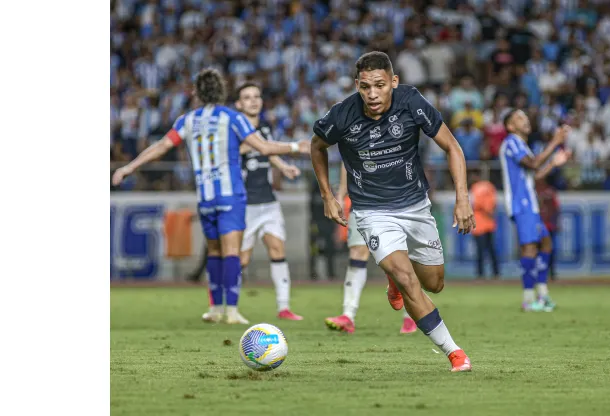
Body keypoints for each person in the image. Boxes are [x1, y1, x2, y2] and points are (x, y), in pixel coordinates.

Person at [310, 51, 474, 372]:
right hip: (372, 212)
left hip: (415, 207)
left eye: (380, 86)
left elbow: (452, 146)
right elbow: (316, 146)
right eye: (365, 87)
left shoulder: (410, 101)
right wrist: (327, 195)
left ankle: (395, 283)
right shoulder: (342, 115)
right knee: (406, 276)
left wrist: (462, 198)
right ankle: (455, 352)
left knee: (434, 283)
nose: (372, 94)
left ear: (393, 82)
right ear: (357, 85)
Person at [112, 68, 310, 324]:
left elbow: (161, 146)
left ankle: (215, 308)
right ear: (222, 91)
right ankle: (232, 311)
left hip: (205, 198)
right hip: (231, 197)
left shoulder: (187, 120)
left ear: (198, 93)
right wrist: (296, 146)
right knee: (230, 252)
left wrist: (129, 167)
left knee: (214, 252)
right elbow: (263, 146)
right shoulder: (232, 117)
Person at [233, 81, 304, 321]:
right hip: (244, 204)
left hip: (268, 201)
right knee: (242, 259)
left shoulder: (263, 128)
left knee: (277, 249)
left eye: (256, 96)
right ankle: (227, 306)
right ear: (238, 104)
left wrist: (283, 168)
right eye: (247, 97)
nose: (253, 100)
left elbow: (268, 151)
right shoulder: (233, 129)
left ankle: (284, 307)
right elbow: (250, 150)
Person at [324, 164, 417, 334]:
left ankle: (411, 316)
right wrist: (341, 193)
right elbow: (347, 159)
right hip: (361, 200)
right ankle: (348, 315)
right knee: (357, 254)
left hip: (394, 200)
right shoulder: (353, 136)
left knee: (399, 257)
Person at [499, 109, 570, 312]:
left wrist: (554, 163)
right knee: (530, 247)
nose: (526, 120)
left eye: (525, 117)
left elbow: (535, 174)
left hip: (530, 202)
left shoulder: (522, 146)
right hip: (521, 203)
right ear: (510, 126)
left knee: (546, 243)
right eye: (519, 118)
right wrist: (555, 142)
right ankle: (529, 300)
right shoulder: (512, 141)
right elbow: (533, 163)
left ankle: (543, 295)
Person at [469, 174, 500, 279]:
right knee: (491, 250)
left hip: (479, 225)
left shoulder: (475, 188)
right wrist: (490, 212)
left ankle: (480, 274)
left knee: (480, 251)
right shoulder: (489, 186)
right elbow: (494, 203)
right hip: (489, 223)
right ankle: (496, 273)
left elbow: (476, 204)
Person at [536, 178, 561, 280]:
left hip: (548, 225)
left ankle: (551, 272)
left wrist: (556, 223)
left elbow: (556, 209)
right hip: (539, 226)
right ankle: (540, 272)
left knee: (549, 249)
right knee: (538, 250)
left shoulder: (549, 192)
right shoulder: (534, 191)